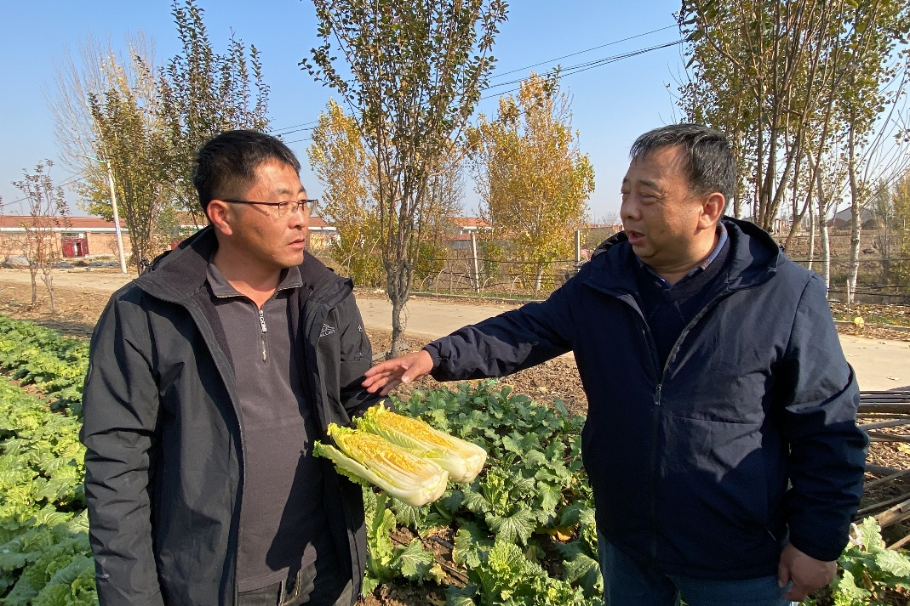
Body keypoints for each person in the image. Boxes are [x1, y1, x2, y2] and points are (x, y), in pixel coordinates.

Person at [363, 124, 867, 605]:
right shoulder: (604, 281)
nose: (627, 211)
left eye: (648, 197)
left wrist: (817, 541)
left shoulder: (783, 294)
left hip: (739, 554)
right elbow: (526, 330)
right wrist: (435, 356)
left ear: (708, 208)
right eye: (626, 193)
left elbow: (828, 425)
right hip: (627, 539)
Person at [81, 130, 380, 606]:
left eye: (303, 203)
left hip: (324, 571)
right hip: (214, 584)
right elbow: (117, 465)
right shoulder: (148, 312)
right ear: (222, 215)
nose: (300, 220)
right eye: (280, 205)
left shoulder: (326, 297)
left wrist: (401, 438)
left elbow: (354, 402)